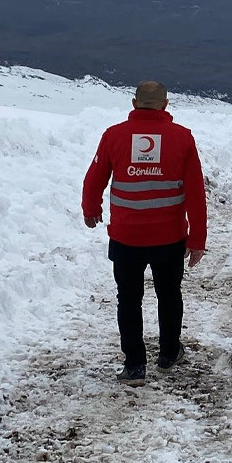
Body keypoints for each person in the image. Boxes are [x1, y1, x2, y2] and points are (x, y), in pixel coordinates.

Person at [82, 80, 208, 385]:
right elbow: (195, 192)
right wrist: (198, 239)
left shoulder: (114, 136)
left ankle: (135, 365)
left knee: (128, 298)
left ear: (135, 103)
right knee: (168, 295)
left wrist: (91, 209)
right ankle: (168, 353)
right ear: (165, 105)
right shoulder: (182, 138)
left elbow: (95, 176)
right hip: (168, 238)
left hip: (126, 238)